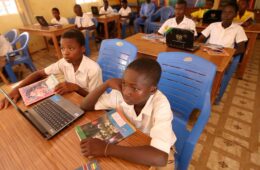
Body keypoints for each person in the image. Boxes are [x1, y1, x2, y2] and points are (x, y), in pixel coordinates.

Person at [80, 58, 176, 168]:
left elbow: (160, 158)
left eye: (135, 88)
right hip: (132, 139)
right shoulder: (120, 92)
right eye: (124, 83)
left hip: (156, 148)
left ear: (152, 90)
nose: (126, 92)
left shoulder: (161, 105)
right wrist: (106, 84)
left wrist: (106, 149)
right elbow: (85, 106)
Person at [0, 29, 102, 109]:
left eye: (71, 48)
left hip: (89, 104)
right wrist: (16, 90)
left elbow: (95, 99)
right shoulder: (64, 62)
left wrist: (76, 88)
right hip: (72, 100)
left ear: (83, 48)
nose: (65, 53)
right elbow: (39, 74)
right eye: (62, 48)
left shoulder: (93, 69)